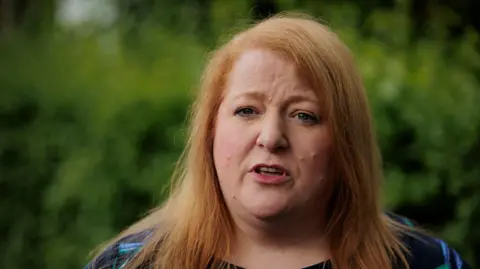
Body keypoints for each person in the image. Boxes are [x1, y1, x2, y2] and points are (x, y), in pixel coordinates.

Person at [84, 13, 471, 269]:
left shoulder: (422, 262)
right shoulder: (131, 264)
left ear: (345, 142)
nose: (271, 138)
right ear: (210, 130)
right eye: (247, 110)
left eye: (304, 115)